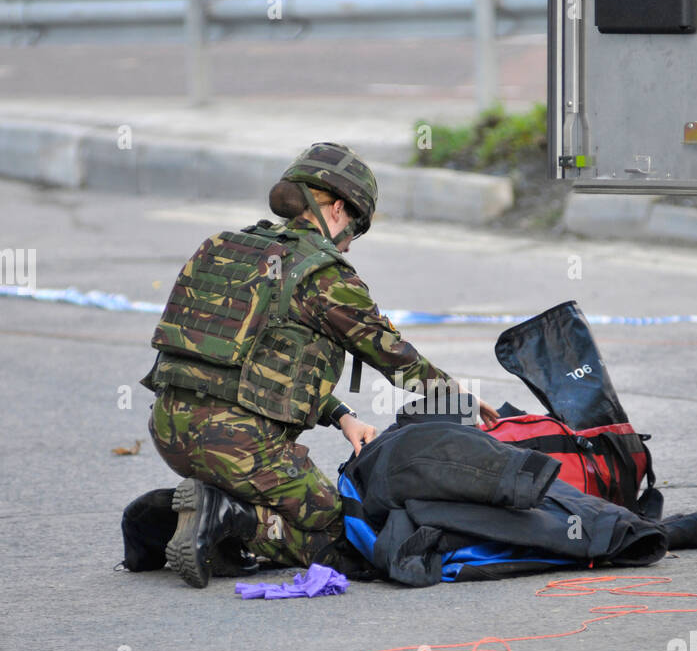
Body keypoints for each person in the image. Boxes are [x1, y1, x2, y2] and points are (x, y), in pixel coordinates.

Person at [140, 142, 499, 587]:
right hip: (241, 445)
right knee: (348, 539)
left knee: (283, 498)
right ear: (338, 208)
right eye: (355, 227)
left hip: (169, 429)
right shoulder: (323, 275)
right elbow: (393, 357)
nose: (350, 241)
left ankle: (176, 515)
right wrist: (457, 396)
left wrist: (343, 416)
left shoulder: (222, 248)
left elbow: (252, 362)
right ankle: (226, 519)